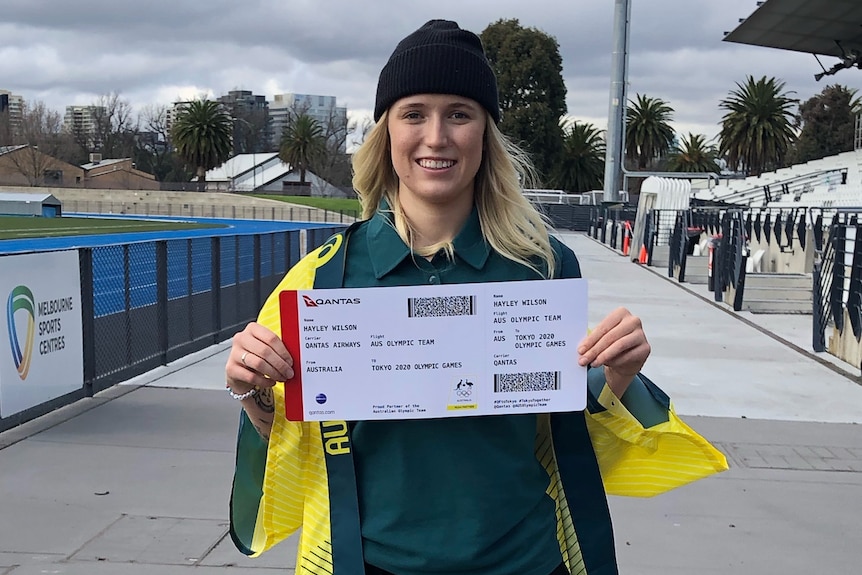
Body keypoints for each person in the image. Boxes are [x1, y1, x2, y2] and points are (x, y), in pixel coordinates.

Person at [226, 19, 727, 575]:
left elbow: (560, 431)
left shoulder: (543, 268)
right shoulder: (318, 283)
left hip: (528, 560)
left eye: (459, 114)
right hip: (370, 563)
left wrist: (615, 377)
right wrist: (252, 392)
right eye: (413, 113)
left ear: (484, 134)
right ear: (385, 132)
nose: (436, 137)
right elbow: (291, 444)